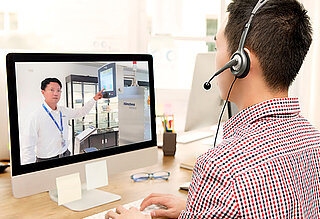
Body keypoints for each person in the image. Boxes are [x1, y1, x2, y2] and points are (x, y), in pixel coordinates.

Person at [106, 0, 320, 218]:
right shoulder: (314, 141)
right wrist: (196, 213)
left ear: (240, 62)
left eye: (217, 47)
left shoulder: (222, 168)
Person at [21, 78, 104, 164]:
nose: (56, 93)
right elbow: (28, 147)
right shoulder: (35, 116)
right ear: (43, 92)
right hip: (47, 160)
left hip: (65, 154)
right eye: (52, 90)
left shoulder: (63, 111)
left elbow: (82, 112)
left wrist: (94, 99)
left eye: (58, 90)